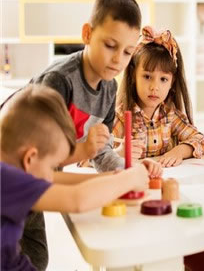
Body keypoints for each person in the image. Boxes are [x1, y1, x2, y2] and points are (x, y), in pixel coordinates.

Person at [0, 85, 152, 271]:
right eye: (52, 164)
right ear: (30, 157)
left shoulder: (11, 171)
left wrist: (115, 177)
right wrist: (130, 178)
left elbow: (55, 179)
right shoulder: (7, 179)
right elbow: (77, 199)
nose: (52, 172)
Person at [113, 26, 204, 167]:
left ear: (171, 83)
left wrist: (179, 151)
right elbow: (88, 159)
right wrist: (118, 153)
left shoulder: (170, 115)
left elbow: (201, 141)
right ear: (133, 76)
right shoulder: (120, 117)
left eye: (163, 79)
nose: (154, 87)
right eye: (147, 76)